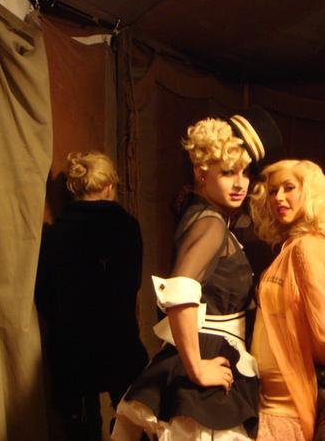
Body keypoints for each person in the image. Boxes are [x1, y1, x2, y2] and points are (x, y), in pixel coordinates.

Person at [112, 107, 282, 441]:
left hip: (216, 349)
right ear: (201, 172)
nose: (240, 183)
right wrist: (196, 368)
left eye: (245, 173)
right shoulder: (210, 223)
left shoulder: (206, 216)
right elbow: (179, 292)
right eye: (228, 172)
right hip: (208, 354)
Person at [35, 151, 148, 440]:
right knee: (135, 421)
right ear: (110, 186)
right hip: (119, 339)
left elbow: (44, 296)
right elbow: (132, 284)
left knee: (82, 429)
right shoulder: (127, 228)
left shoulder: (53, 235)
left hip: (71, 346)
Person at [249, 159, 325, 441]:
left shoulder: (308, 247)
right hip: (275, 401)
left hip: (289, 405)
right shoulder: (292, 247)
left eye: (289, 188)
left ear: (310, 192)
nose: (278, 197)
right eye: (273, 191)